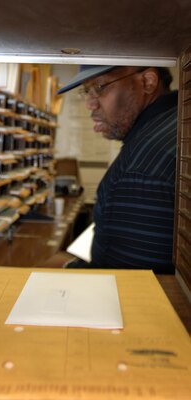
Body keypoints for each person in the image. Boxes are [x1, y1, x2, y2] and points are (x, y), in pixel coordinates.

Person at [55, 65, 178, 274]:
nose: (90, 104)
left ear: (147, 82)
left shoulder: (140, 172)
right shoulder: (174, 122)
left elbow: (130, 287)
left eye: (100, 87)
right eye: (87, 91)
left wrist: (68, 266)